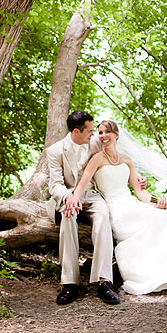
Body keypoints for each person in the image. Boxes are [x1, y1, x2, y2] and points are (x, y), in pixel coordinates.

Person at [72, 120, 167, 295]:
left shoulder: (126, 160)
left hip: (131, 202)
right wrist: (73, 200)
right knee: (151, 224)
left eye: (107, 132)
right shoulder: (97, 159)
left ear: (116, 135)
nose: (103, 136)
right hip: (116, 209)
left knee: (165, 216)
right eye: (100, 133)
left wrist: (157, 202)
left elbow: (140, 192)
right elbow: (82, 183)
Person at [45, 110, 120, 305]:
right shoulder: (55, 151)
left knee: (103, 217)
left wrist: (137, 179)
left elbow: (116, 158)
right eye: (89, 131)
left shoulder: (95, 142)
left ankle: (104, 281)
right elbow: (55, 184)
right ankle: (70, 283)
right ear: (76, 131)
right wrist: (69, 197)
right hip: (69, 196)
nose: (93, 134)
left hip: (93, 195)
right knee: (68, 218)